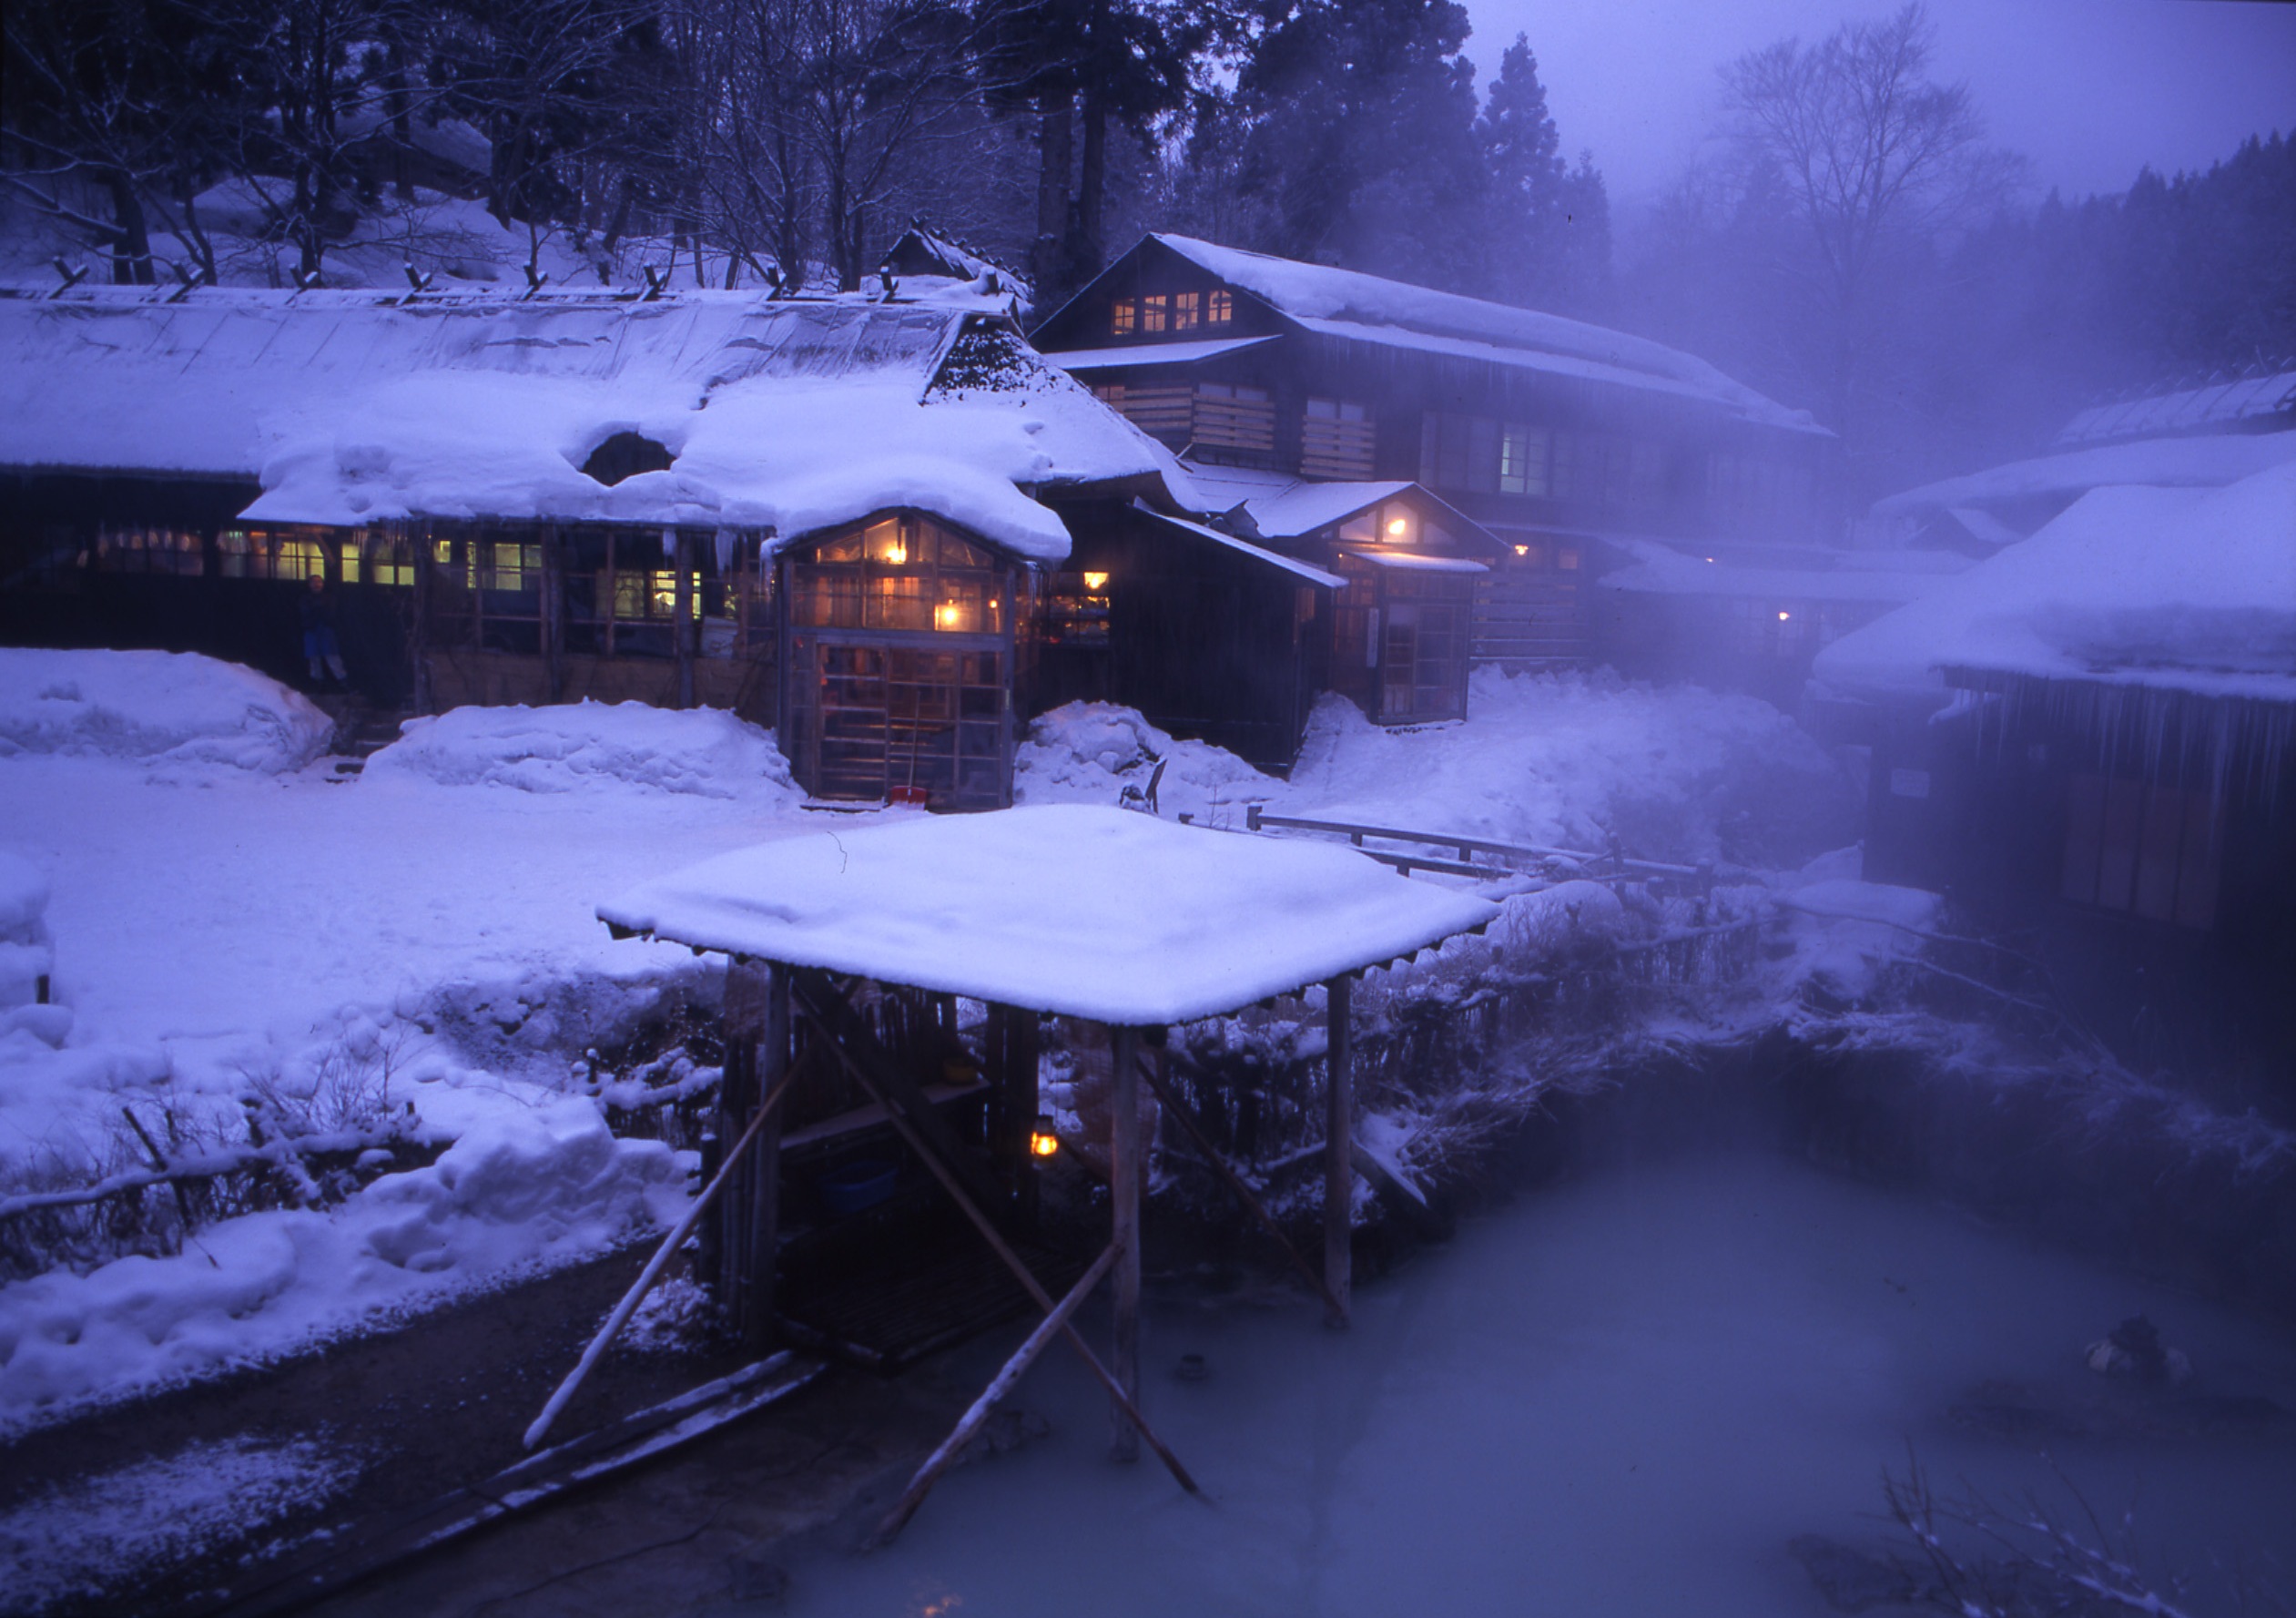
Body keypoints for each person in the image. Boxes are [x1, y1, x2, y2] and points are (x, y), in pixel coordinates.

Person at [299, 572, 349, 687]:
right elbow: (305, 612)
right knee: (314, 658)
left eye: (319, 582)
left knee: (332, 656)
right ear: (309, 584)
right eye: (314, 582)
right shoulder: (305, 599)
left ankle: (343, 681)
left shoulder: (329, 598)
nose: (316, 584)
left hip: (326, 630)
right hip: (311, 630)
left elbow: (331, 614)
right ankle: (318, 683)